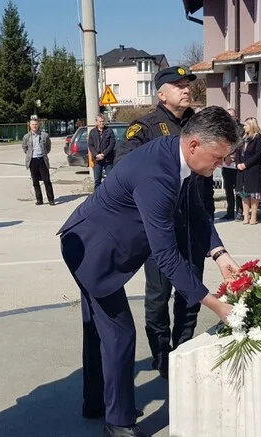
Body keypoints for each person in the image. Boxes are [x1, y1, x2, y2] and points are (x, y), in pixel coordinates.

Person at [58, 107, 240, 437]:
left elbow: (195, 210)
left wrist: (219, 254)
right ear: (196, 144)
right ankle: (119, 424)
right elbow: (166, 256)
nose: (221, 165)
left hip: (94, 241)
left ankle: (96, 401)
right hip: (93, 252)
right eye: (218, 158)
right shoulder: (158, 175)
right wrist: (212, 303)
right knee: (120, 334)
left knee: (97, 328)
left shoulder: (179, 155)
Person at [111, 66, 213, 378]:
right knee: (158, 297)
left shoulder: (198, 126)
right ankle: (161, 355)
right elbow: (123, 166)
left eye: (188, 85)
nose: (186, 89)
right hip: (160, 228)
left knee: (191, 292)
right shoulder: (144, 127)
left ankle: (182, 352)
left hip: (193, 223)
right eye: (178, 85)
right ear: (161, 93)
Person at [234, 117, 261, 224]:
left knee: (253, 194)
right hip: (241, 170)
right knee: (244, 194)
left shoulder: (258, 138)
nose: (244, 127)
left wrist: (245, 164)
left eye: (246, 125)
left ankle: (254, 216)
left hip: (253, 170)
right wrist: (238, 164)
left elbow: (257, 154)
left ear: (252, 126)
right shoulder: (243, 138)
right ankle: (245, 216)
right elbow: (237, 152)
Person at [22, 119, 56, 205]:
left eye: (36, 124)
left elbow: (48, 147)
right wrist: (29, 154)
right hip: (32, 161)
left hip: (42, 160)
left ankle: (51, 199)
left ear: (38, 125)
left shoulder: (44, 135)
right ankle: (39, 199)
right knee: (35, 181)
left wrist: (43, 153)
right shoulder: (26, 136)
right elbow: (24, 147)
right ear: (30, 125)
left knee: (46, 180)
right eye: (32, 124)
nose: (34, 126)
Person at [219, 108, 240, 220]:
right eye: (228, 116)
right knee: (228, 189)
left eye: (232, 116)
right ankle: (230, 211)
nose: (230, 118)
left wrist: (233, 156)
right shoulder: (223, 129)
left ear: (236, 117)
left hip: (237, 165)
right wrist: (225, 156)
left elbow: (240, 143)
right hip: (226, 164)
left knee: (238, 190)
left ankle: (240, 211)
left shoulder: (240, 128)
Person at [88, 114, 116, 189]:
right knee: (97, 180)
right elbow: (90, 145)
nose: (102, 123)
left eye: (103, 121)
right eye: (100, 121)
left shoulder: (109, 131)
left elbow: (112, 144)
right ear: (96, 122)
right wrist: (96, 155)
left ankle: (109, 195)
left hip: (108, 159)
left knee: (110, 179)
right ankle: (97, 197)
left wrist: (103, 154)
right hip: (97, 160)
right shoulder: (92, 132)